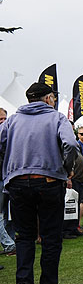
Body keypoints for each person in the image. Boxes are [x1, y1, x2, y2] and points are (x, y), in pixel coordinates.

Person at [0, 82, 78, 284]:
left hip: (18, 181)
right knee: (51, 237)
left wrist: (9, 164)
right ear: (48, 98)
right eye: (53, 97)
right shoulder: (57, 118)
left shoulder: (12, 120)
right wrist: (66, 168)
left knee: (24, 236)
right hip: (48, 180)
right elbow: (71, 144)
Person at [0, 107, 15, 256]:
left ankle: (10, 242)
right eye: (0, 119)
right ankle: (9, 243)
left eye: (5, 119)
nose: (3, 122)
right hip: (2, 179)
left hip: (8, 180)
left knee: (8, 213)